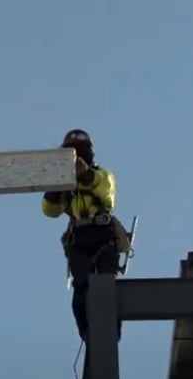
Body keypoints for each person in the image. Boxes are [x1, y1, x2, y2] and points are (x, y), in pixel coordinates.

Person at [41, 129, 129, 342]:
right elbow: (49, 211)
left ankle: (110, 334)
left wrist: (85, 174)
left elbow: (104, 189)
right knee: (81, 288)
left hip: (103, 235)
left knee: (107, 285)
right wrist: (55, 187)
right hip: (79, 238)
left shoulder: (103, 175)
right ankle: (87, 333)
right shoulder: (65, 185)